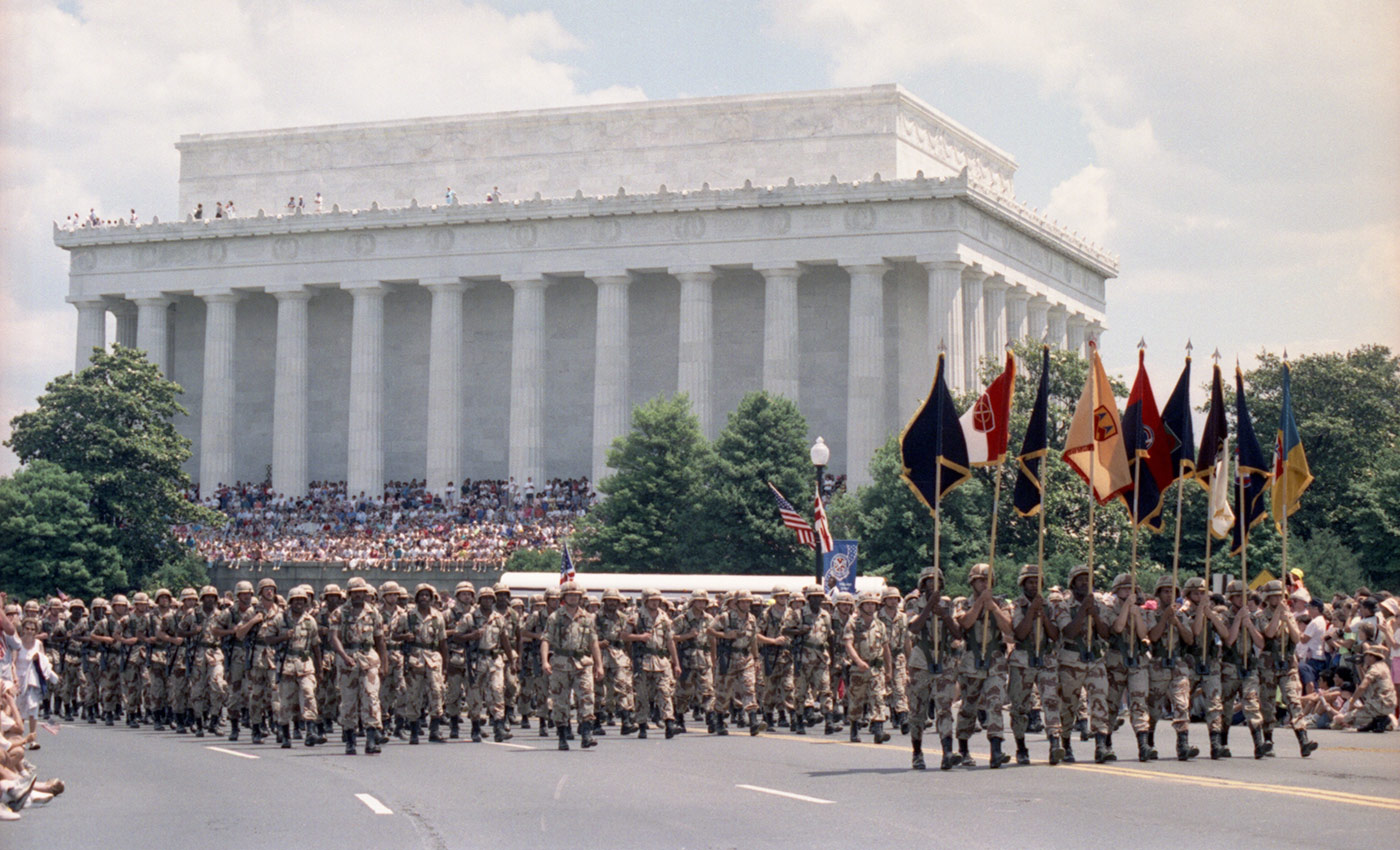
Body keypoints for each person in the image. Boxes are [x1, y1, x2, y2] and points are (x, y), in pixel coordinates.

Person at [1009, 564, 1063, 765]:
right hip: (1023, 661)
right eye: (1030, 582)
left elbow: (1055, 635)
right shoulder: (1017, 605)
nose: (1033, 585)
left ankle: (1055, 743)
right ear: (1023, 584)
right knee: (1020, 706)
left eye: (1037, 582)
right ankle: (1021, 746)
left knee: (1051, 701)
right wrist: (1031, 611)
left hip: (1046, 660)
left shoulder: (1049, 606)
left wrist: (1043, 615)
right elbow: (1020, 633)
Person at [1258, 580, 1320, 757]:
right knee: (1268, 704)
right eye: (1274, 596)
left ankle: (1303, 740)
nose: (1278, 599)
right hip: (1269, 665)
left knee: (1293, 701)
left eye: (1280, 596)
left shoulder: (1289, 615)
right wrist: (1277, 615)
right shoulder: (1262, 616)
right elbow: (1269, 633)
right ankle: (1268, 740)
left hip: (1287, 664)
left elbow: (1297, 638)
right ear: (1268, 598)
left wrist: (1288, 619)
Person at [329, 577, 388, 755]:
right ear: (349, 594)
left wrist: (384, 664)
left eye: (361, 592)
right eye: (354, 593)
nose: (358, 595)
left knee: (371, 697)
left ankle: (371, 738)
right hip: (348, 656)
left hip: (368, 657)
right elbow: (334, 637)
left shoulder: (374, 613)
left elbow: (380, 639)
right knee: (348, 700)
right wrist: (344, 656)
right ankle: (350, 739)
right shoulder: (340, 613)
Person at [541, 581, 601, 750]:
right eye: (570, 595)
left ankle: (586, 734)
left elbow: (594, 642)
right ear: (564, 597)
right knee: (560, 700)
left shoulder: (588, 618)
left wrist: (599, 665)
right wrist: (545, 661)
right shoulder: (555, 617)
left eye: (576, 595)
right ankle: (562, 735)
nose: (573, 598)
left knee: (587, 697)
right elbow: (546, 640)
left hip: (582, 663)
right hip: (561, 662)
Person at [268, 587, 324, 747]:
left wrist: (319, 669)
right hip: (286, 663)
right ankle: (286, 734)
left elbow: (316, 645)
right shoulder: (280, 619)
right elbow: (268, 639)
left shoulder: (310, 621)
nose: (299, 603)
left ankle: (310, 731)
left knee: (308, 694)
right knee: (286, 701)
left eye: (302, 600)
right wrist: (283, 637)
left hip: (305, 663)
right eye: (296, 600)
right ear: (290, 602)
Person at [628, 588, 680, 738]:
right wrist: (639, 637)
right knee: (642, 694)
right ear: (645, 601)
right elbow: (624, 635)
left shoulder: (664, 618)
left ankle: (669, 722)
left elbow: (670, 641)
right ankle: (642, 724)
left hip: (661, 660)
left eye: (657, 600)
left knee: (665, 691)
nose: (655, 603)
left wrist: (676, 663)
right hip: (643, 660)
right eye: (652, 600)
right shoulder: (636, 617)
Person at [844, 591, 892, 744]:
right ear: (861, 606)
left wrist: (889, 669)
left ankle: (878, 730)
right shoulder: (853, 624)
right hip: (858, 669)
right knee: (856, 699)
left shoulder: (880, 625)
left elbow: (886, 648)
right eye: (867, 604)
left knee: (878, 698)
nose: (871, 606)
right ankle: (854, 728)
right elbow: (848, 645)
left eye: (873, 604)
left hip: (876, 668)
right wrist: (858, 661)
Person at [595, 589, 637, 735]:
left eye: (614, 600)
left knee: (622, 686)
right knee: (598, 690)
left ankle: (626, 721)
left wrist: (631, 658)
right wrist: (598, 644)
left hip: (619, 655)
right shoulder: (595, 618)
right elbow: (588, 638)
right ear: (604, 601)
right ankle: (596, 722)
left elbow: (627, 640)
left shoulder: (623, 618)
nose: (612, 603)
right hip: (601, 654)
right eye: (609, 600)